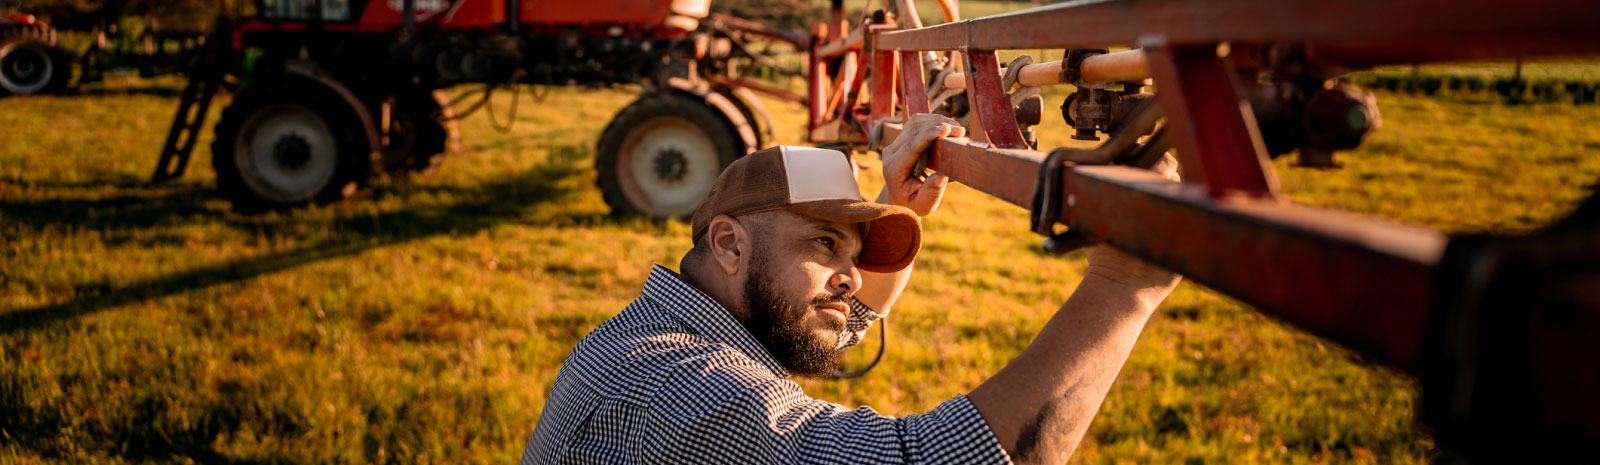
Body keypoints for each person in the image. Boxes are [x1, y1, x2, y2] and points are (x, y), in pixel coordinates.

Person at [521, 114, 1182, 465]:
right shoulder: (687, 389)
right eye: (822, 243)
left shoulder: (663, 333)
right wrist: (1124, 287)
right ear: (728, 244)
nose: (854, 277)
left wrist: (898, 207)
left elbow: (834, 317)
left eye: (854, 251)